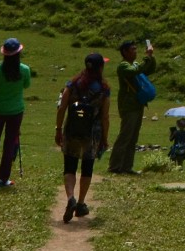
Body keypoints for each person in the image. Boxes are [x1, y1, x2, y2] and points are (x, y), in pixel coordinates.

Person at [54, 52, 110, 223]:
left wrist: (58, 129)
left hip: (71, 129)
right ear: (100, 67)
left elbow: (62, 107)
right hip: (92, 133)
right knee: (87, 167)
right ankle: (80, 203)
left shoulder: (73, 83)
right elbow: (105, 116)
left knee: (69, 166)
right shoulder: (104, 89)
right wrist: (104, 139)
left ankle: (70, 197)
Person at [0, 37, 34, 188]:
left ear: (4, 53)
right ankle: (2, 179)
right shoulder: (24, 70)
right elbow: (26, 85)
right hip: (16, 111)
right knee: (9, 144)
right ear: (19, 53)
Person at [106, 38, 156, 175]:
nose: (135, 52)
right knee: (125, 136)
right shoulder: (123, 66)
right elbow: (137, 70)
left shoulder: (133, 64)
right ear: (125, 52)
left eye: (136, 49)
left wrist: (151, 57)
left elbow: (149, 69)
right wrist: (147, 57)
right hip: (128, 106)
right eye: (132, 49)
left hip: (137, 104)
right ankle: (114, 166)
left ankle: (127, 167)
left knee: (133, 137)